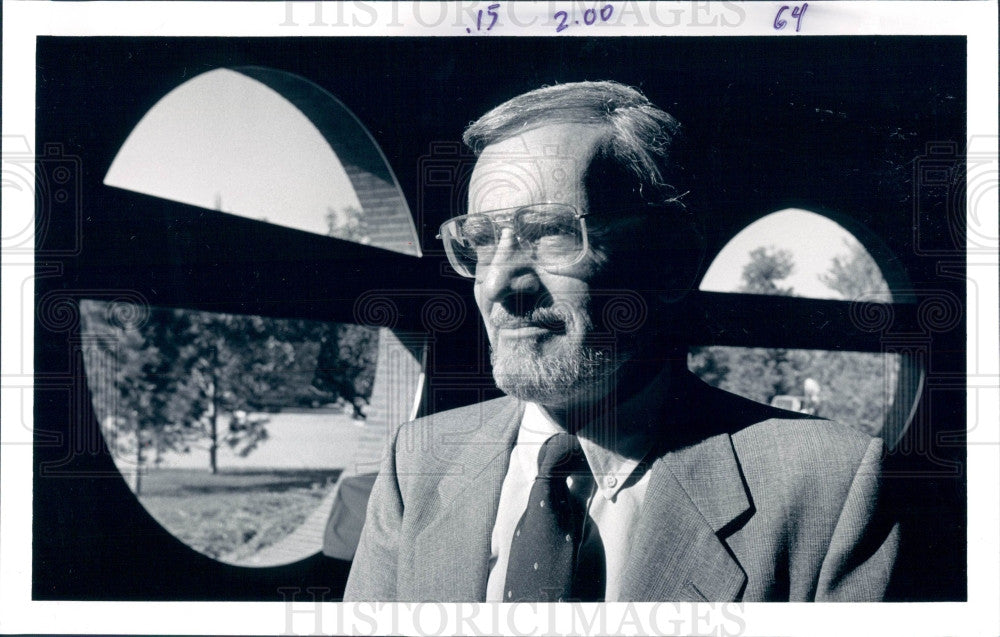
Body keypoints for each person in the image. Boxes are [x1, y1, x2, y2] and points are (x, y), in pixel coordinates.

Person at [344, 81, 899, 602]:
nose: (496, 284)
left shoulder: (831, 487)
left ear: (672, 259)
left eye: (549, 233)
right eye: (481, 241)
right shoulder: (417, 462)